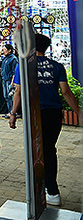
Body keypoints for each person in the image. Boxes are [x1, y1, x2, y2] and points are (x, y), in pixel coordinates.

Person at [9, 33, 80, 206]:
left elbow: (18, 92)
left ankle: (42, 189)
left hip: (34, 114)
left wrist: (13, 113)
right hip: (54, 114)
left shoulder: (24, 66)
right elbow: (66, 92)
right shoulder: (57, 66)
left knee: (36, 150)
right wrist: (78, 112)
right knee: (49, 149)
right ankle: (51, 190)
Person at [0, 44, 18, 116]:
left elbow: (14, 72)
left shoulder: (13, 59)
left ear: (9, 50)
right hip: (4, 79)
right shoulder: (5, 58)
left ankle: (12, 112)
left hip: (9, 80)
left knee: (10, 96)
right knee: (6, 96)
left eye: (4, 50)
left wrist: (13, 82)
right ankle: (9, 111)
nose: (3, 51)